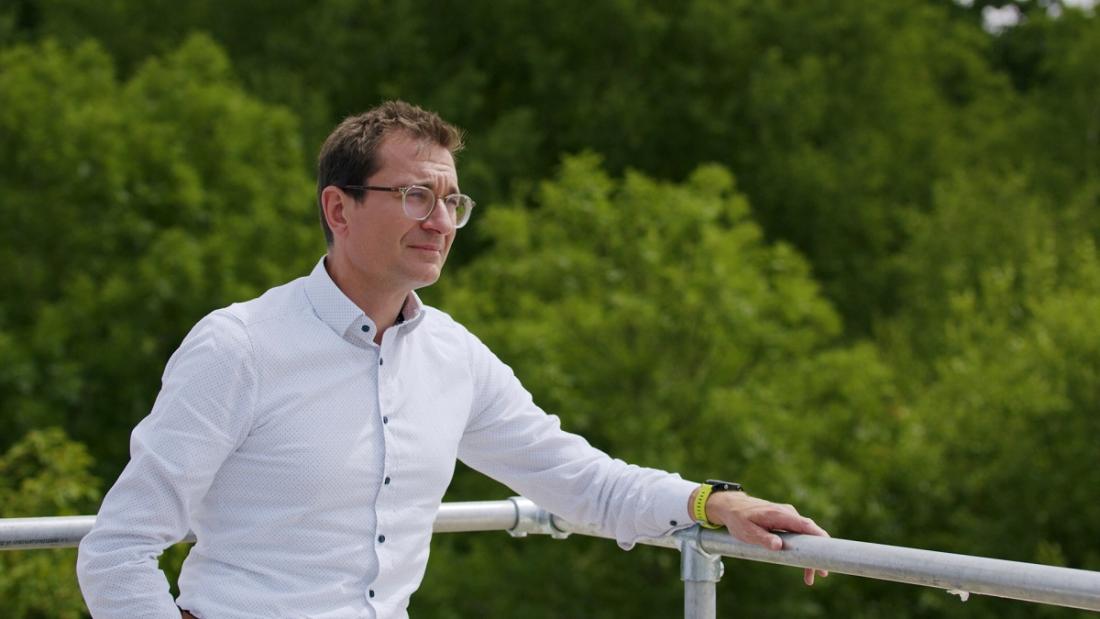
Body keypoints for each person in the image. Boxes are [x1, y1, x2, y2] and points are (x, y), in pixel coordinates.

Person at [77, 100, 828, 618]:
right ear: (339, 209)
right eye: (414, 197)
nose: (440, 222)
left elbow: (580, 481)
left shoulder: (453, 357)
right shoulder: (238, 346)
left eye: (452, 202)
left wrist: (711, 503)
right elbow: (117, 551)